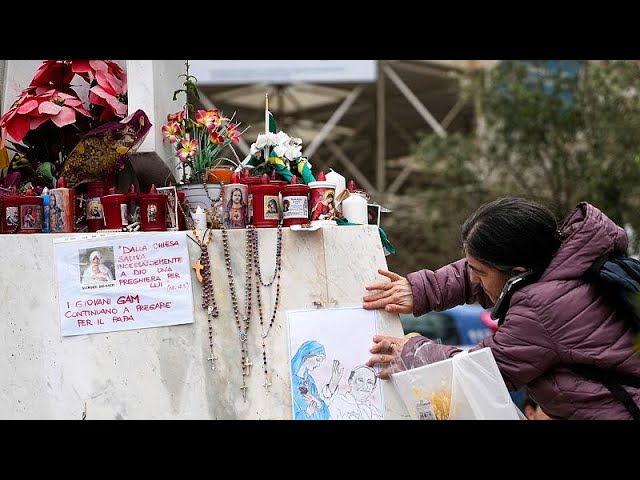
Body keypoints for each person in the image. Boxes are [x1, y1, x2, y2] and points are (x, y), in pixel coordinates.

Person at [363, 197, 640, 420]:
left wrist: (413, 352)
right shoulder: (561, 261)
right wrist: (422, 289)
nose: (473, 279)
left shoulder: (542, 307)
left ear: (516, 272)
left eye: (480, 273)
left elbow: (485, 372)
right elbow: (482, 272)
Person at [290, 340, 343, 420]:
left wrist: (319, 404)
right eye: (317, 360)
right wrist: (306, 413)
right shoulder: (290, 381)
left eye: (320, 362)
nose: (318, 365)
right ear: (306, 355)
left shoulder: (310, 382)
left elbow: (324, 415)